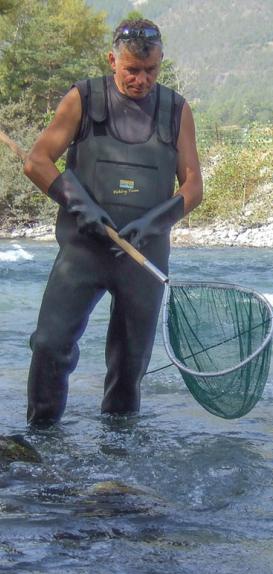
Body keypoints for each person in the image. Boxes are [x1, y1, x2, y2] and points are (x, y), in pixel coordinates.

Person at [23, 18, 203, 425]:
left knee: (129, 367)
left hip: (143, 258)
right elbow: (36, 162)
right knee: (50, 346)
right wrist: (77, 203)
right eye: (131, 70)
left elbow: (193, 186)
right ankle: (40, 440)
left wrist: (157, 220)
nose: (141, 80)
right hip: (83, 253)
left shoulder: (176, 109)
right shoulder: (83, 98)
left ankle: (119, 460)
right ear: (112, 60)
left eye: (151, 71)